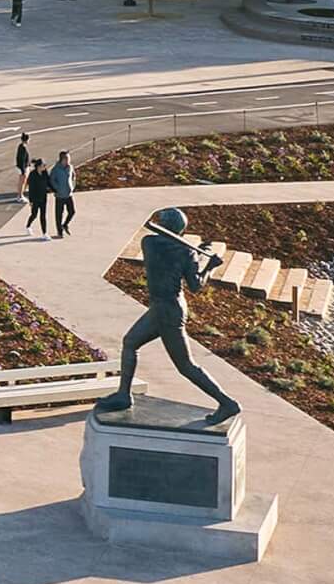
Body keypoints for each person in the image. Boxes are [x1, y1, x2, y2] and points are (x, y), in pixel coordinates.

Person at [94, 208, 241, 425]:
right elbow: (196, 284)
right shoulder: (183, 251)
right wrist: (209, 265)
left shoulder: (150, 243)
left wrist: (198, 256)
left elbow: (181, 267)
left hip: (167, 311)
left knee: (185, 366)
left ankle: (227, 403)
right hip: (166, 307)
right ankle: (124, 395)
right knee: (130, 342)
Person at [50, 150, 77, 238]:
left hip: (68, 194)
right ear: (63, 159)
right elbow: (52, 180)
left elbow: (73, 176)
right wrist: (57, 189)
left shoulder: (70, 167)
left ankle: (65, 224)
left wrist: (72, 186)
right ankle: (59, 231)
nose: (69, 160)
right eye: (68, 158)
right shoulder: (56, 169)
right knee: (59, 214)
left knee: (72, 212)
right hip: (60, 195)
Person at [25, 158, 54, 237]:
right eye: (43, 165)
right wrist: (31, 200)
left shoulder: (45, 173)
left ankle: (44, 233)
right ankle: (28, 226)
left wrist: (55, 190)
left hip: (43, 197)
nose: (44, 167)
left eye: (45, 165)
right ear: (38, 166)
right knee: (34, 214)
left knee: (43, 215)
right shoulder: (32, 175)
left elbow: (49, 183)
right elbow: (31, 189)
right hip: (35, 198)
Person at [13, 133, 31, 198]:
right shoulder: (23, 148)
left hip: (24, 167)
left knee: (24, 181)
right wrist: (23, 170)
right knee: (22, 181)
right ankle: (20, 195)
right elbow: (22, 160)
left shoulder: (22, 146)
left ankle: (21, 194)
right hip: (23, 168)